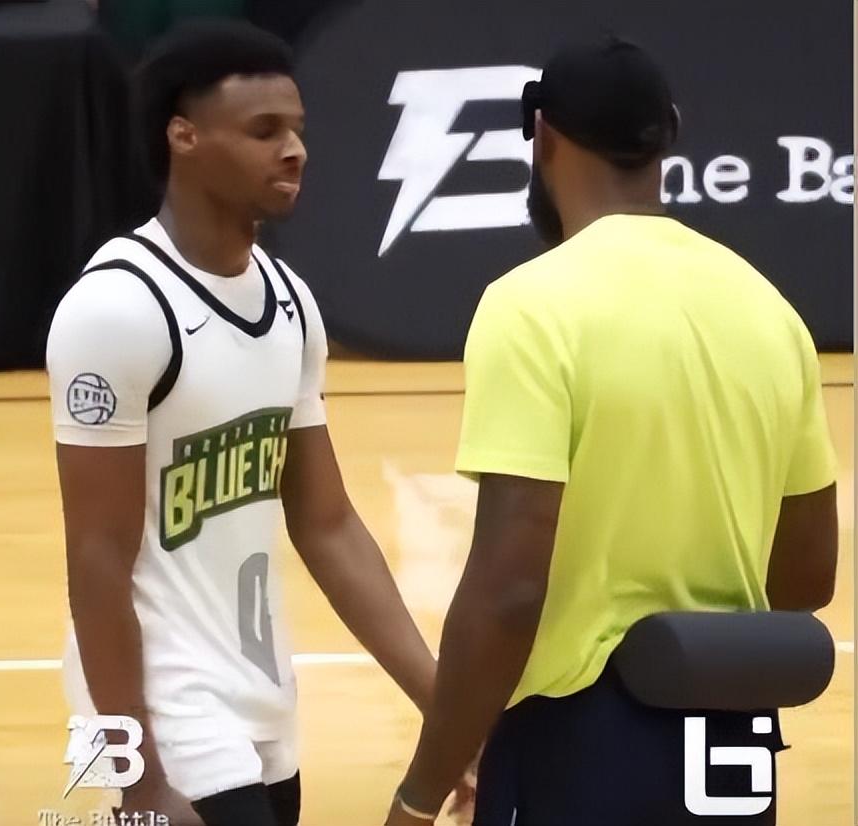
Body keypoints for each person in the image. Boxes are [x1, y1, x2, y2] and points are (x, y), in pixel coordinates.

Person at [384, 35, 838, 826]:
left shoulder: (532, 306)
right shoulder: (772, 311)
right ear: (671, 131)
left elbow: (508, 593)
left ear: (542, 136)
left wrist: (420, 794)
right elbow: (807, 578)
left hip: (582, 743)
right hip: (733, 747)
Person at [47, 21, 437, 826]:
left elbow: (329, 526)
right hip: (162, 704)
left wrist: (446, 710)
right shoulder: (117, 307)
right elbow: (95, 561)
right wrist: (135, 774)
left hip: (263, 694)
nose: (294, 150)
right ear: (183, 137)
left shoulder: (290, 301)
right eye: (265, 132)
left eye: (297, 129)